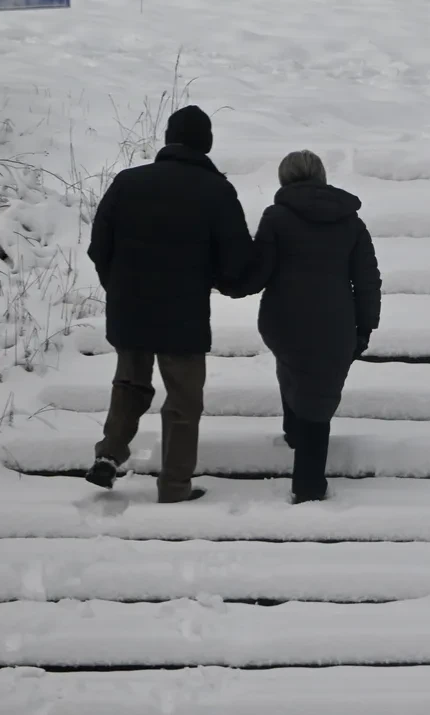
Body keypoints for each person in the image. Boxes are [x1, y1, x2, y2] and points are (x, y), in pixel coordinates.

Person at [84, 105, 252, 503]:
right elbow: (236, 258)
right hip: (184, 313)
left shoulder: (127, 182)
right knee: (183, 399)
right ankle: (174, 485)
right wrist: (227, 284)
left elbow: (98, 247)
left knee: (129, 383)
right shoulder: (216, 190)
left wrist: (118, 286)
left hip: (130, 306)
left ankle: (109, 455)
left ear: (168, 139)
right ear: (206, 143)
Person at [224, 150, 381, 504]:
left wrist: (226, 281)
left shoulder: (277, 218)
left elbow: (257, 273)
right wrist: (366, 327)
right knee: (318, 392)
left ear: (284, 179)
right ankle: (309, 484)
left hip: (283, 321)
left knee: (296, 370)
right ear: (322, 176)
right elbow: (367, 281)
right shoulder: (350, 222)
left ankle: (295, 435)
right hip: (335, 323)